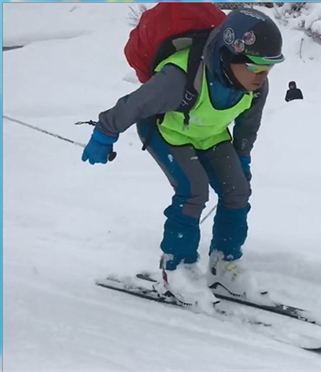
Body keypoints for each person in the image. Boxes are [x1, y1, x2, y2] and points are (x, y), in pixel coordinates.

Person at [81, 8, 284, 312]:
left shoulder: (255, 87)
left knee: (238, 192)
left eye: (268, 69)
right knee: (193, 191)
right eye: (256, 67)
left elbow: (246, 127)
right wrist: (104, 135)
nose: (262, 76)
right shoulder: (179, 76)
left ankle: (224, 264)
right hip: (167, 131)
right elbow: (134, 105)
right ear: (230, 55)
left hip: (209, 134)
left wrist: (242, 160)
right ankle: (176, 267)